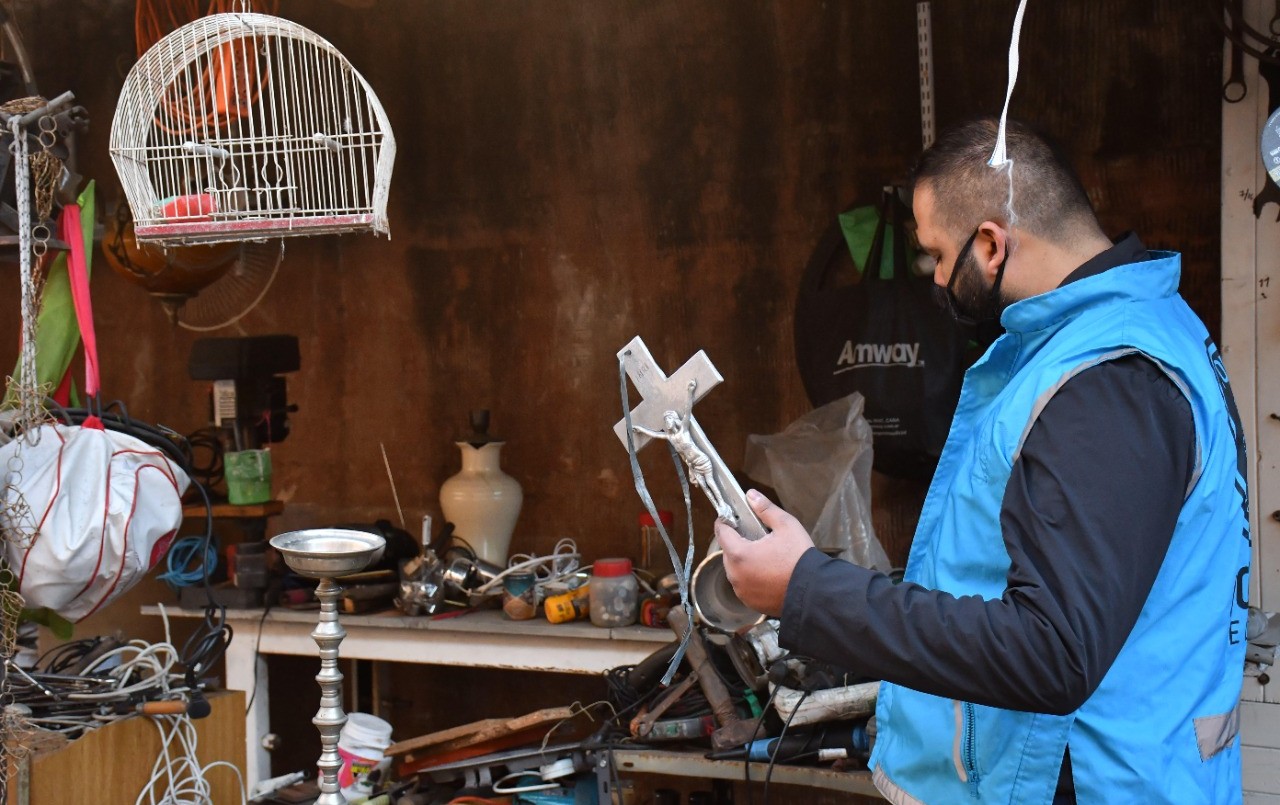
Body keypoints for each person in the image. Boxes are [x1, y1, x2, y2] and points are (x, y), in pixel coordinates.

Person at [717, 117, 1251, 804]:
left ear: (992, 244)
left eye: (937, 256)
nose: (937, 280)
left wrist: (808, 589)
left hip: (1093, 785)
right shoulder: (1123, 336)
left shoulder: (1106, 381)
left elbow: (1052, 650)